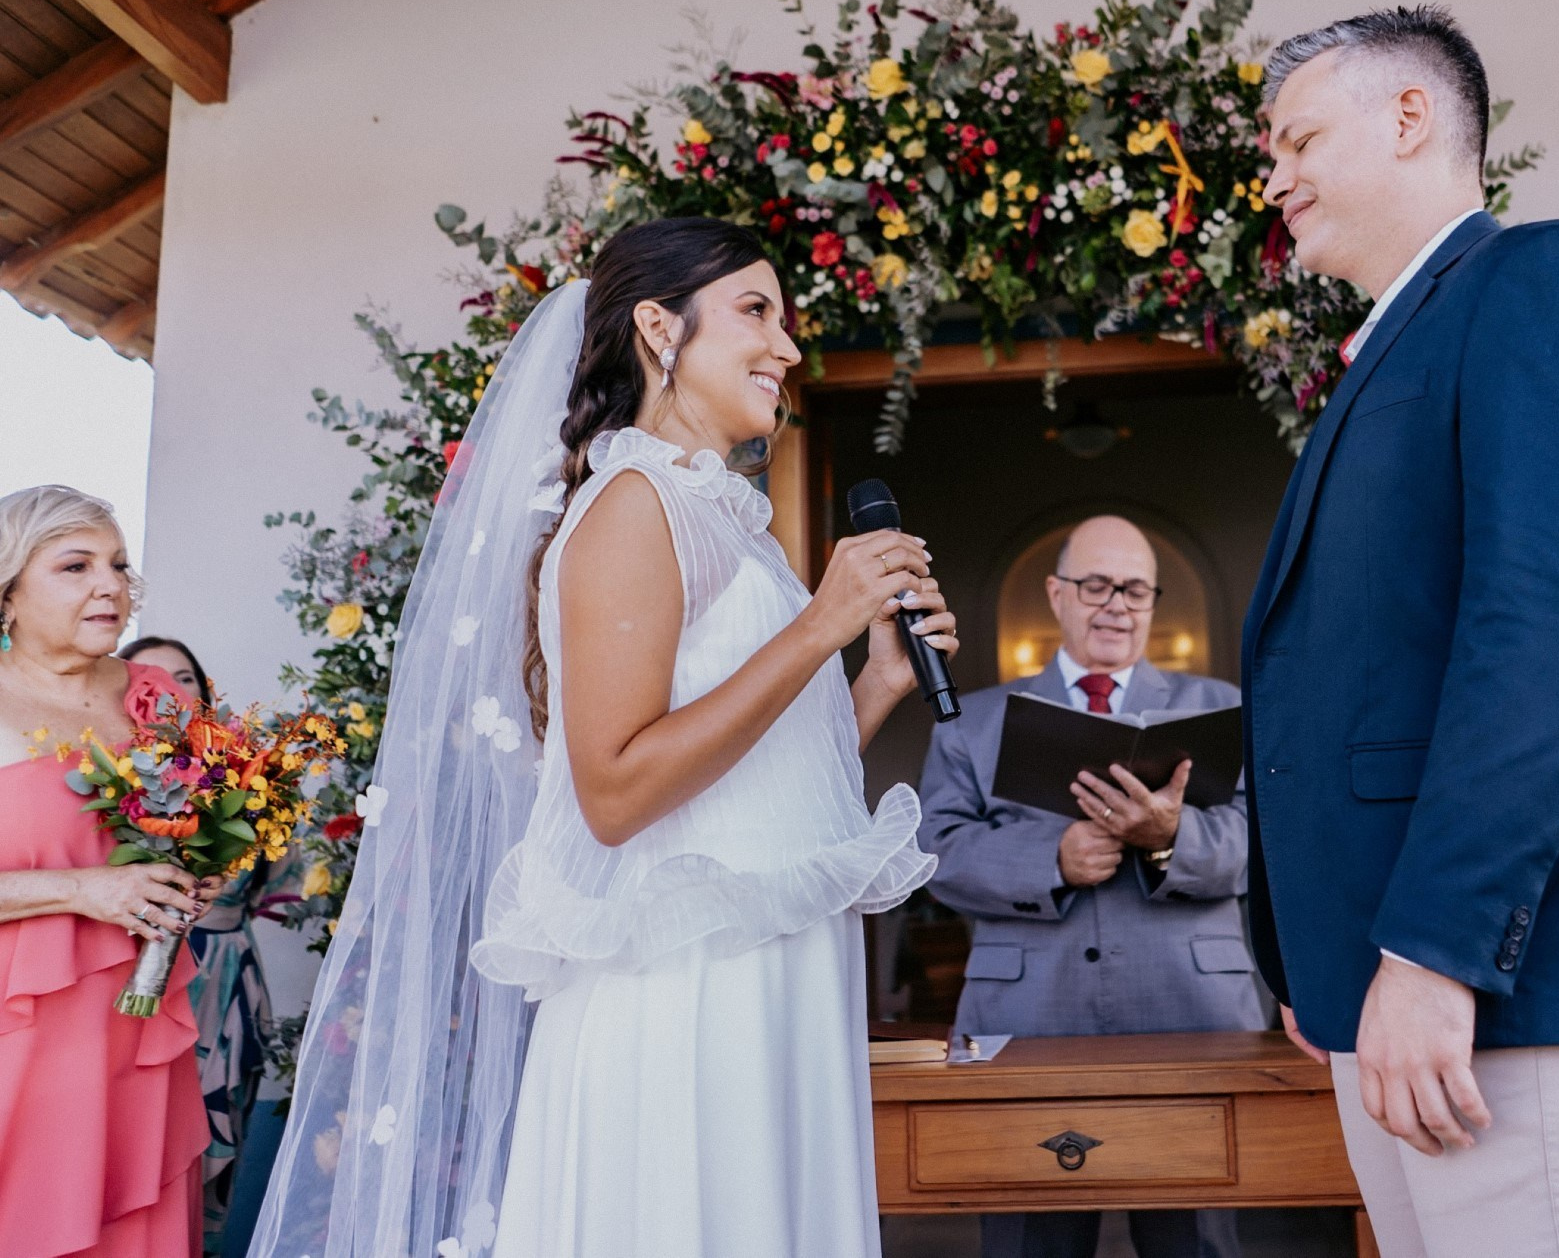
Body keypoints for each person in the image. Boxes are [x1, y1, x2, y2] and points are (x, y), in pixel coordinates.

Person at [250, 218, 950, 1258]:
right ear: (659, 328)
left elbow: (762, 777)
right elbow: (615, 790)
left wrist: (875, 680)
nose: (788, 346)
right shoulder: (632, 505)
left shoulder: (732, 523)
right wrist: (817, 624)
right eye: (756, 311)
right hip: (689, 987)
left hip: (771, 964)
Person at [1240, 7, 1559, 1257]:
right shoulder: (1392, 341)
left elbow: (1548, 632)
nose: (1272, 176)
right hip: (1385, 986)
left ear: (1408, 117)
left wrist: (1434, 952)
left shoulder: (1541, 278)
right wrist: (1325, 959)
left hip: (1502, 989)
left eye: (1295, 137)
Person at [918, 514, 1258, 1258]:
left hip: (1191, 1014)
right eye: (1097, 584)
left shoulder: (1220, 706)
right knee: (1026, 1239)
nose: (1117, 605)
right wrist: (1054, 859)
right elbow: (933, 852)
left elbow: (1258, 848)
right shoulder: (970, 722)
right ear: (1056, 594)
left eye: (1136, 589)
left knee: (1197, 1240)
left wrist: (1170, 838)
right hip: (1026, 1018)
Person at [0, 485, 220, 1257]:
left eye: (119, 565)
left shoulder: (154, 700)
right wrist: (86, 891)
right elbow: (97, 875)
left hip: (136, 1028)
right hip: (17, 1035)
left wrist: (200, 866)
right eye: (76, 565)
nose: (111, 584)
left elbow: (193, 823)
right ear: (9, 592)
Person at [120, 635, 276, 1252]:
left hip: (227, 979)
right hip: (138, 980)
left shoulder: (246, 778)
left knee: (214, 1150)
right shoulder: (114, 775)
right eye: (154, 681)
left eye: (184, 677)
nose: (171, 690)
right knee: (144, 1144)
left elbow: (275, 881)